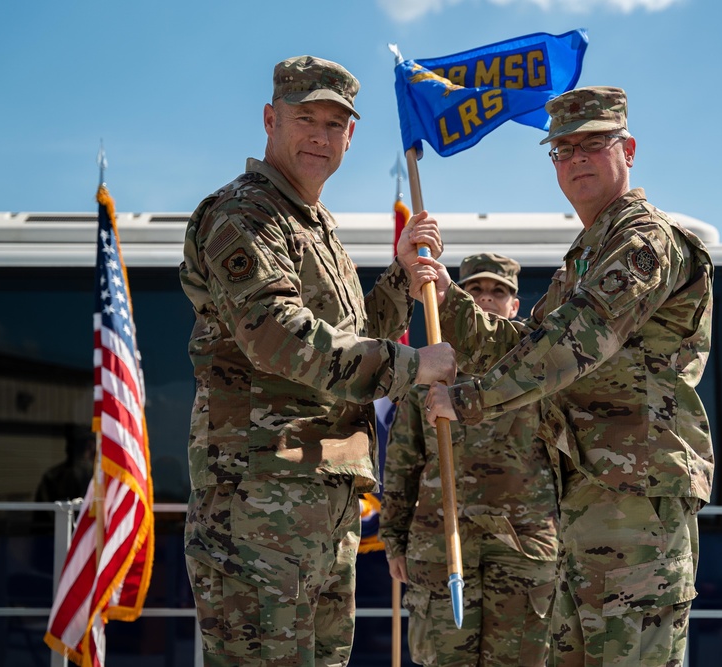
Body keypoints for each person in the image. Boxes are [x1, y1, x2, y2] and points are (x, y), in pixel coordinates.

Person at [413, 86, 715, 666]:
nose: (577, 159)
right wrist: (447, 299)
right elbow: (529, 343)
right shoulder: (588, 253)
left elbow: (576, 343)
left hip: (636, 496)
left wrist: (470, 400)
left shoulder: (642, 241)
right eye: (563, 149)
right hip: (583, 491)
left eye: (593, 145)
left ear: (627, 149)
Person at [178, 55, 455, 667]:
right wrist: (413, 367)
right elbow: (279, 339)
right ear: (271, 120)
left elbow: (350, 336)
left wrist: (403, 280)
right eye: (306, 118)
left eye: (335, 124)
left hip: (323, 502)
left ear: (351, 137)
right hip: (258, 506)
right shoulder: (243, 215)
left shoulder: (315, 226)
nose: (320, 136)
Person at [380, 253, 559, 667]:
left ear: (514, 306)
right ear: (455, 297)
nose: (486, 299)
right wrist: (394, 540)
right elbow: (403, 461)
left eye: (499, 292)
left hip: (523, 545)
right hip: (440, 543)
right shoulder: (429, 369)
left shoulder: (540, 373)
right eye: (475, 289)